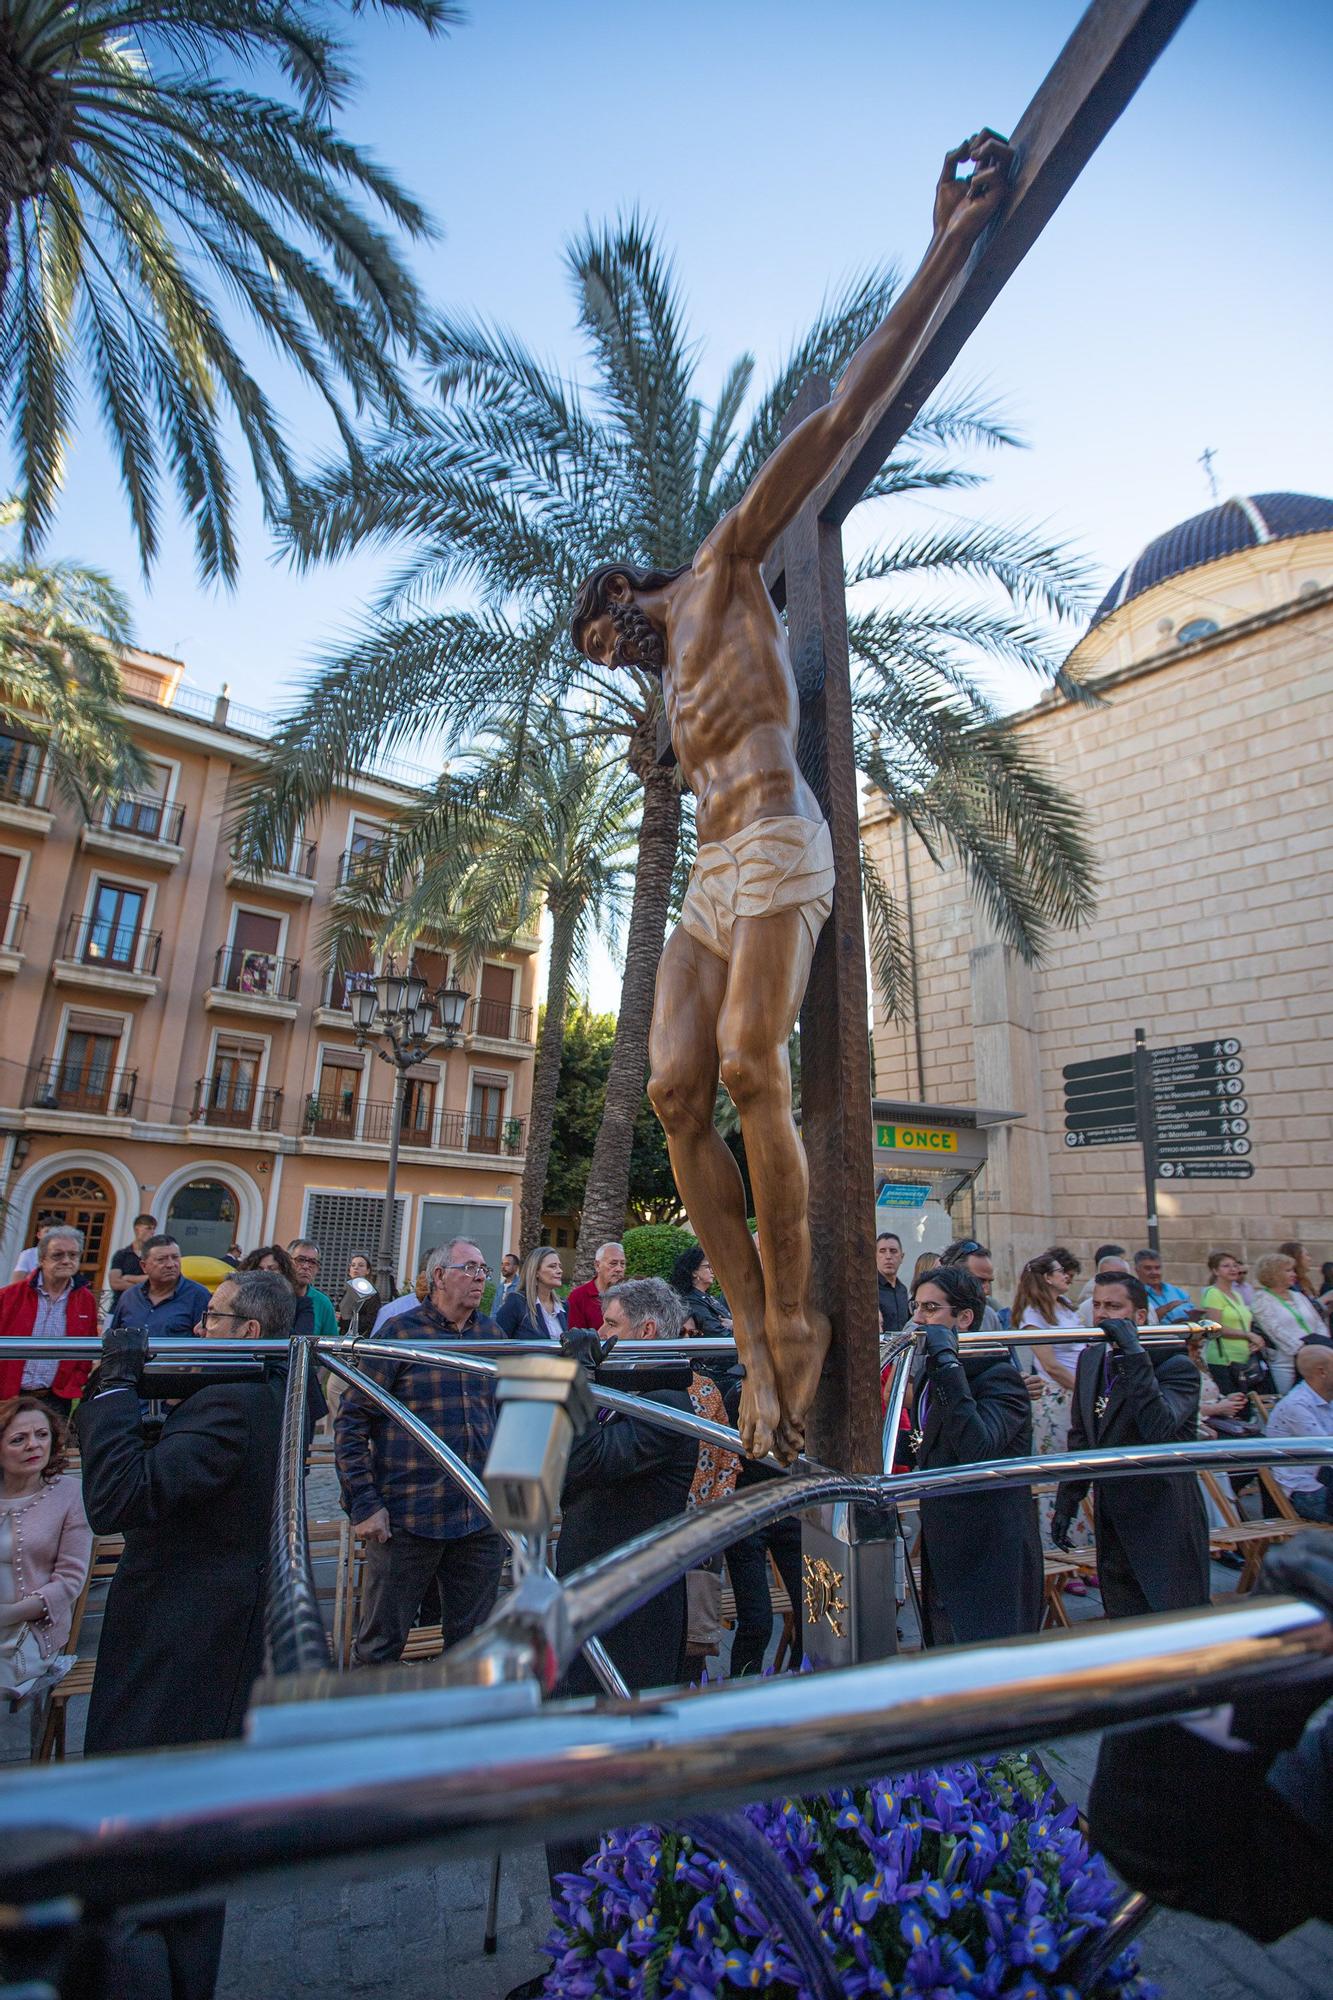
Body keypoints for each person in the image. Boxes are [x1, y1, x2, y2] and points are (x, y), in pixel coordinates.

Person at [572, 132, 1013, 1464]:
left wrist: (943, 245)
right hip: (712, 874)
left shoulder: (717, 568)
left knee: (756, 1067)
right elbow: (674, 737)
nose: (620, 657)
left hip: (778, 839)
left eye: (610, 638)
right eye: (609, 660)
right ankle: (759, 1330)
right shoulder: (665, 693)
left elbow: (825, 426)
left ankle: (802, 1321)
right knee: (670, 1095)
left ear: (625, 593)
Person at [77, 1269, 294, 2000]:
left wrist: (110, 1388)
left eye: (214, 1319)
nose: (201, 1330)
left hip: (181, 1638)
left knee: (140, 1835)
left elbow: (119, 1498)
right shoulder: (263, 1389)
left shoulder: (233, 1403)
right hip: (208, 1632)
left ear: (249, 1334)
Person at [336, 1240, 507, 1666]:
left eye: (484, 1270)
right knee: (380, 1647)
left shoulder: (492, 1335)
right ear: (438, 1277)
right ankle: (374, 1728)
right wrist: (364, 1503)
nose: (480, 1278)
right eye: (469, 1268)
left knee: (473, 1646)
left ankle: (455, 1728)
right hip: (410, 1515)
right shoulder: (400, 1334)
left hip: (479, 1516)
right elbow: (352, 1420)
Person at [555, 1277, 698, 1693]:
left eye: (611, 1325)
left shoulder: (669, 1404)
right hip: (594, 1589)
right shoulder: (630, 1388)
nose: (601, 1335)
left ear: (647, 1331)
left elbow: (587, 1460)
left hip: (633, 1607)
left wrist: (578, 1375)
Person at [1052, 1271, 1209, 1617]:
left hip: (1163, 1512)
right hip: (1114, 1510)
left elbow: (1159, 1427)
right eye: (1097, 1306)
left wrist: (1134, 1353)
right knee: (1124, 1614)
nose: (1102, 1315)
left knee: (1173, 1617)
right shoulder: (1092, 1359)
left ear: (1139, 1316)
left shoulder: (1175, 1366)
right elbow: (1082, 1434)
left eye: (1113, 1306)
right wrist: (1069, 1499)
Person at [910, 1264, 1042, 1645]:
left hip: (992, 1548)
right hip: (945, 1538)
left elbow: (977, 1446)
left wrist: (948, 1363)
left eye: (931, 1309)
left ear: (964, 1318)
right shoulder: (932, 1371)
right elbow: (930, 1442)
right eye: (916, 1307)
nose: (918, 1319)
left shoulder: (998, 1375)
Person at [0, 1397, 90, 1710]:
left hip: (30, 1633)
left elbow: (69, 1581)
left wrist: (8, 1614)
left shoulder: (67, 1494)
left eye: (42, 1435)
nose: (33, 1445)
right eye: (18, 1439)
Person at [1013, 1251, 1090, 1560]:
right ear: (1046, 1277)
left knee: (1083, 1469)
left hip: (1079, 1390)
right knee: (1057, 1474)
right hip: (1059, 1395)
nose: (1066, 1276)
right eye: (1060, 1272)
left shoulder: (1067, 1308)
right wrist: (1084, 1388)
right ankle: (1058, 1551)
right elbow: (1050, 1364)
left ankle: (1086, 1546)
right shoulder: (1033, 1315)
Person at [0, 1226, 100, 1416]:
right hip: (8, 1395)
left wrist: (75, 1379)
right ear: (41, 1259)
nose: (66, 1261)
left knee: (51, 1445)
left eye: (73, 1255)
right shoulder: (9, 1296)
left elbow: (87, 1347)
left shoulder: (85, 1300)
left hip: (56, 1397)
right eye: (57, 1255)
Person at [1264, 1340, 1333, 1522]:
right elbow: (1327, 1452)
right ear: (1322, 1372)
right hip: (1307, 1491)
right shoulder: (1296, 1405)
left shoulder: (1328, 1399)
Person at [107, 1234, 212, 1342]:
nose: (171, 1264)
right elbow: (113, 1341)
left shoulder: (199, 1296)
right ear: (144, 1266)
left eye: (175, 1258)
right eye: (161, 1260)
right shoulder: (130, 1297)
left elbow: (207, 1345)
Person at [1250, 1250, 1324, 1393]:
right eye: (1288, 1270)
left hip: (1315, 1355)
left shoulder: (1298, 1296)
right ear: (1274, 1273)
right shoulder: (1262, 1299)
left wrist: (1321, 1345)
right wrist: (1302, 1350)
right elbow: (1274, 1330)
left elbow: (1318, 1322)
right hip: (1286, 1360)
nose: (1294, 1274)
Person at [1200, 1249, 1268, 1390]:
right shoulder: (1213, 1293)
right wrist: (1248, 1334)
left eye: (1235, 1265)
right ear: (1215, 1271)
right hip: (1224, 1359)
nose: (1233, 1269)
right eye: (1226, 1266)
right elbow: (1215, 1327)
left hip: (1243, 1357)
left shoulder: (1236, 1295)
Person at [495, 1246, 567, 1342]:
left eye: (559, 1266)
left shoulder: (564, 1306)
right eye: (552, 1266)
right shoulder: (517, 1302)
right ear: (536, 1272)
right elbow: (496, 1343)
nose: (559, 1271)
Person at [937, 1239, 1002, 1330]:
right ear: (954, 1276)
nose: (986, 1290)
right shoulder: (928, 1317)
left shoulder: (989, 1316)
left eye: (989, 1282)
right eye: (979, 1281)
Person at [285, 1238, 339, 1342]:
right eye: (300, 1260)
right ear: (288, 1262)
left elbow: (332, 1345)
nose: (306, 1266)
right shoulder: (274, 1296)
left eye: (312, 1262)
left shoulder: (323, 1303)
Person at [565, 1240, 626, 1332]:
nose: (619, 1269)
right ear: (597, 1266)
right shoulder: (578, 1297)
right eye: (613, 1263)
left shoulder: (630, 1295)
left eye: (623, 1264)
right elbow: (576, 1338)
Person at [1133, 1248, 1193, 1325]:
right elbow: (1141, 1322)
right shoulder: (1134, 1294)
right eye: (1148, 1268)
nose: (1154, 1272)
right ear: (1137, 1270)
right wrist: (1166, 1309)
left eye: (1157, 1268)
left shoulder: (1177, 1292)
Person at [107, 1212, 159, 1294]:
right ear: (137, 1229)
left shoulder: (155, 1255)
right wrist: (143, 1287)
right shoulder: (122, 1254)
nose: (152, 1232)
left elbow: (155, 1279)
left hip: (145, 1304)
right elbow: (115, 1283)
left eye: (153, 1229)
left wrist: (127, 1277)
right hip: (122, 1303)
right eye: (148, 1228)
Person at [336, 1252, 383, 1337]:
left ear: (367, 1271)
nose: (356, 1268)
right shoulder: (346, 1290)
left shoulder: (371, 1293)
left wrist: (345, 1320)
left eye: (360, 1265)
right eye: (353, 1265)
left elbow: (371, 1320)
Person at [875, 1232, 910, 1334]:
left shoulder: (902, 1290)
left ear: (902, 1257)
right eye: (882, 1251)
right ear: (875, 1256)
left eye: (893, 1251)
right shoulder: (870, 1290)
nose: (888, 1256)